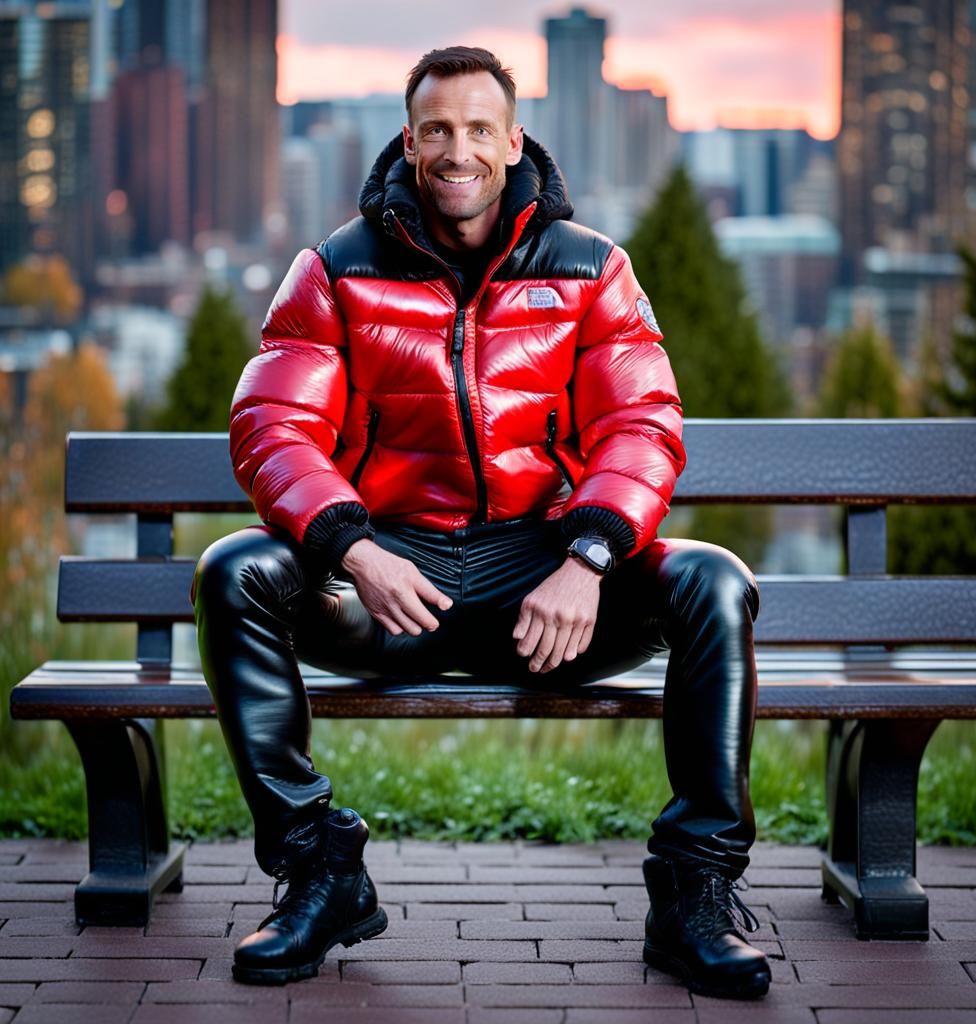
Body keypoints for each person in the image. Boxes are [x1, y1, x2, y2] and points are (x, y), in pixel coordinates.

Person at [190, 46, 770, 999]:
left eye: (476, 130)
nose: (456, 151)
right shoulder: (337, 269)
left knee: (712, 580)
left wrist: (588, 556)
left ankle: (693, 896)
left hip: (545, 587)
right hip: (393, 583)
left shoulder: (592, 269)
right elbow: (273, 425)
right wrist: (353, 548)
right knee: (233, 570)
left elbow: (642, 424)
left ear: (512, 141)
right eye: (435, 131)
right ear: (410, 142)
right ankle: (318, 869)